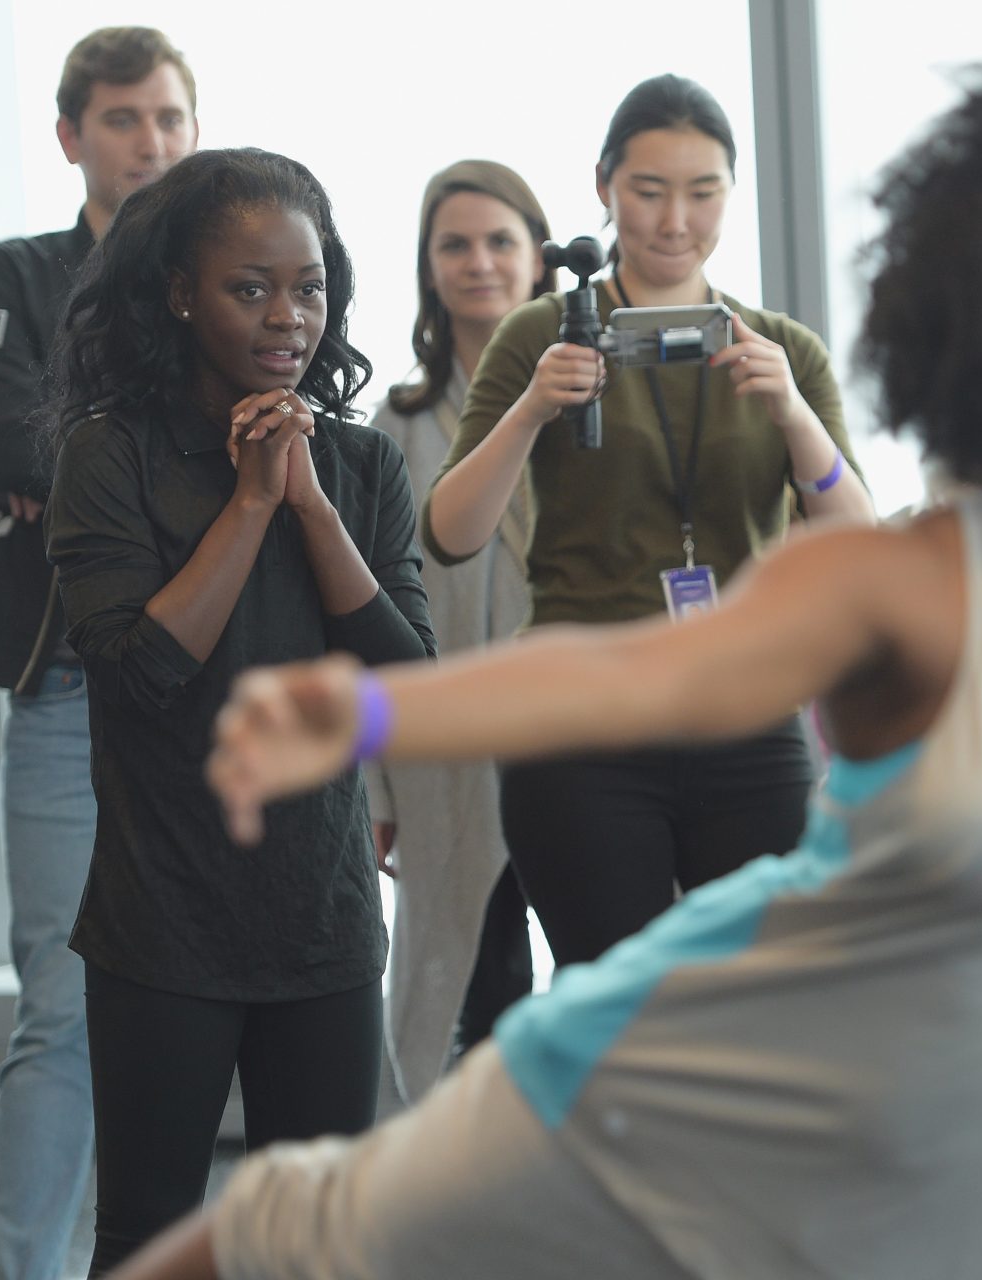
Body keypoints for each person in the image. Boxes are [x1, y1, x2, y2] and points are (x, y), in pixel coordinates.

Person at [146, 53, 982, 1279]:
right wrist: (371, 703)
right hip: (677, 1073)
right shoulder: (910, 583)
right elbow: (639, 683)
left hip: (953, 1201)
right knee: (289, 1236)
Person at [40, 146, 435, 1274]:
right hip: (162, 919)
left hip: (321, 919)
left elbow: (403, 680)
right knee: (151, 1237)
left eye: (308, 287)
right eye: (249, 286)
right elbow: (140, 669)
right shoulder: (108, 454)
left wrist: (307, 504)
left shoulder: (357, 467)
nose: (288, 316)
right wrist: (252, 504)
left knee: (318, 1236)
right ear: (180, 292)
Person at [422, 74, 875, 971]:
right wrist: (530, 411)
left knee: (755, 1005)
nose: (676, 221)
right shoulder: (542, 333)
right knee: (613, 1010)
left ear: (730, 194)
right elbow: (449, 531)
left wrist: (793, 414)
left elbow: (856, 541)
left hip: (748, 707)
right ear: (604, 187)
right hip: (585, 714)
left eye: (703, 193)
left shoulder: (780, 347)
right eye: (650, 191)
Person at [0, 26, 198, 1280]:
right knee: (63, 1012)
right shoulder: (11, 276)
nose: (148, 143)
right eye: (120, 120)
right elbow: (21, 451)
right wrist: (175, 477)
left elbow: (263, 450)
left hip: (213, 686)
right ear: (69, 136)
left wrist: (104, 475)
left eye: (166, 119)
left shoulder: (232, 275)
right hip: (64, 692)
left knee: (238, 995)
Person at [362, 159, 555, 1101]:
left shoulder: (596, 399)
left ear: (540, 258)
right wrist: (372, 781)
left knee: (613, 986)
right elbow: (358, 619)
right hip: (449, 752)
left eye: (500, 241)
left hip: (584, 733)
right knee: (484, 1000)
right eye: (455, 244)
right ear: (429, 268)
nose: (479, 262)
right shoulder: (394, 427)